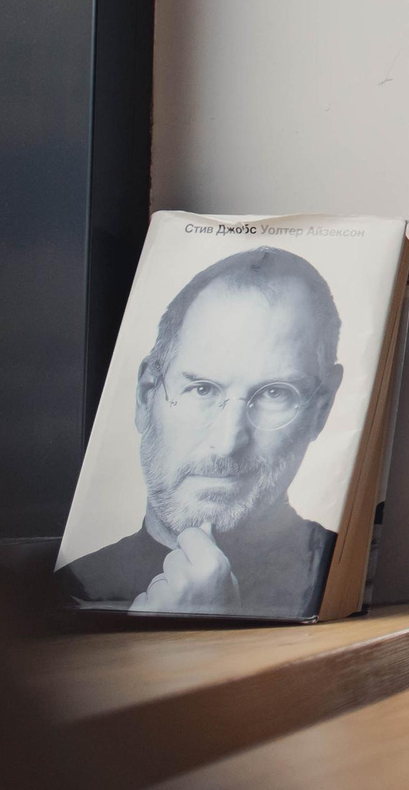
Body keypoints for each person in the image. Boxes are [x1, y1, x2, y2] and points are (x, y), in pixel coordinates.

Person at [61, 246, 346, 616]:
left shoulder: (350, 577)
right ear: (148, 396)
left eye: (275, 393)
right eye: (202, 389)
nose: (228, 443)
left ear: (321, 409)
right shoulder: (60, 594)